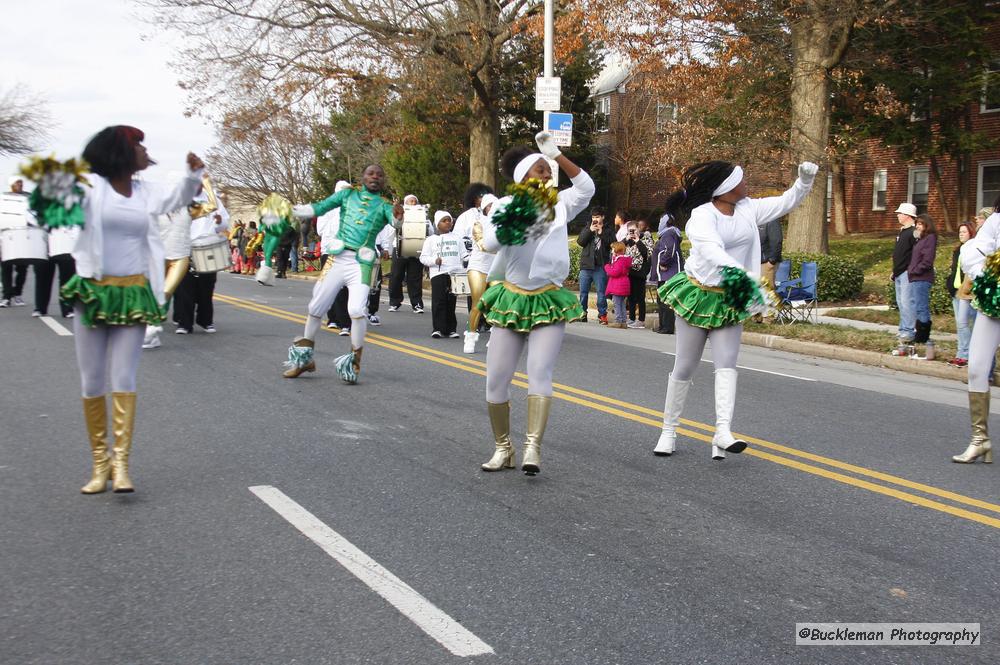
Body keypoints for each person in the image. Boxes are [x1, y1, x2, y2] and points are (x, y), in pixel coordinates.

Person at [51, 126, 204, 493]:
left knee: (124, 379)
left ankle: (121, 465)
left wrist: (193, 175)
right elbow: (57, 203)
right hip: (94, 291)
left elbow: (176, 199)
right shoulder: (90, 188)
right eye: (137, 144)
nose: (144, 149)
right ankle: (99, 463)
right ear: (119, 151)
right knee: (91, 381)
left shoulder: (146, 191)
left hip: (133, 292)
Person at [654, 159, 817, 460]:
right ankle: (668, 430)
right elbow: (712, 251)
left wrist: (803, 181)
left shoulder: (747, 209)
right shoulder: (701, 217)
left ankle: (723, 432)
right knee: (685, 366)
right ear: (724, 189)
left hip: (730, 295)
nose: (746, 185)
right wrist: (746, 276)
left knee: (727, 363)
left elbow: (785, 202)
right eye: (740, 181)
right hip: (699, 294)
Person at [477, 131, 594, 475]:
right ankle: (503, 448)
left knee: (539, 372)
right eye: (539, 170)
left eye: (548, 170)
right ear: (523, 177)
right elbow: (493, 241)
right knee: (496, 379)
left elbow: (586, 189)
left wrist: (558, 155)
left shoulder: (560, 204)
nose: (546, 175)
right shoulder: (506, 206)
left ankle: (532, 448)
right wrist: (521, 214)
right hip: (512, 297)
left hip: (548, 298)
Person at [283, 165, 402, 383]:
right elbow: (320, 207)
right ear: (362, 177)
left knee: (356, 309)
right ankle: (304, 360)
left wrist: (399, 217)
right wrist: (295, 210)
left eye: (380, 174)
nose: (375, 177)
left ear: (383, 180)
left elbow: (395, 223)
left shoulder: (385, 205)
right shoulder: (347, 194)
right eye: (371, 173)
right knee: (315, 307)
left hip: (361, 264)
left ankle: (354, 364)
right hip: (337, 259)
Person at [954, 204, 1000, 463]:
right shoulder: (996, 220)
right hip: (995, 301)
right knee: (976, 368)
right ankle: (980, 440)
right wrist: (991, 270)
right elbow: (974, 252)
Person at [174, 188, 229, 334]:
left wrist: (219, 222)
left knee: (207, 286)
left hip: (207, 245)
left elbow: (224, 222)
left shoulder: (212, 198)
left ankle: (206, 321)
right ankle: (184, 323)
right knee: (185, 287)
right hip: (186, 245)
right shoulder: (181, 198)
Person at [453, 183, 497, 353]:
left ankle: (495, 337)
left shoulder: (503, 224)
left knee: (497, 303)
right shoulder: (477, 223)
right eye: (489, 206)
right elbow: (484, 245)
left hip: (496, 267)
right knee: (478, 303)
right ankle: (470, 337)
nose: (493, 208)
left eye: (495, 205)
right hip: (478, 265)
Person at [420, 210, 467, 338]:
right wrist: (434, 261)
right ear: (437, 224)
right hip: (438, 273)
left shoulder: (457, 238)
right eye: (444, 220)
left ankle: (451, 329)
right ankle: (438, 329)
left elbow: (464, 255)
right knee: (439, 301)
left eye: (449, 220)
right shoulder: (431, 240)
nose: (448, 223)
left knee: (451, 301)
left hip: (455, 274)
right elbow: (423, 258)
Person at [388, 193, 427, 313]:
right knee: (396, 276)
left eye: (415, 201)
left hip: (416, 248)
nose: (413, 203)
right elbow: (390, 231)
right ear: (405, 203)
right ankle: (394, 302)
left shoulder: (423, 215)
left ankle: (417, 304)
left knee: (415, 277)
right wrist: (389, 249)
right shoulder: (399, 214)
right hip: (399, 248)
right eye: (411, 201)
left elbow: (429, 230)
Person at [576, 207, 616, 325]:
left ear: (602, 217)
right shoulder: (588, 227)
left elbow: (613, 242)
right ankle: (582, 313)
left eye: (597, 217)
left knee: (601, 293)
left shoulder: (608, 229)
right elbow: (580, 242)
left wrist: (601, 232)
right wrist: (590, 230)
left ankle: (602, 315)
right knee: (583, 292)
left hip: (600, 266)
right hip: (586, 265)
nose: (595, 219)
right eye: (594, 217)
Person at [650, 203, 684, 334]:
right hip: (664, 274)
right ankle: (662, 325)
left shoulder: (669, 234)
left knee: (666, 301)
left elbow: (670, 250)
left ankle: (667, 327)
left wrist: (663, 262)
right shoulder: (668, 233)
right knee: (661, 300)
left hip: (669, 274)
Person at [946, 222, 976, 366]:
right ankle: (962, 352)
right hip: (956, 290)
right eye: (960, 232)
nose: (961, 234)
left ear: (971, 232)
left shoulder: (973, 248)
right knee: (960, 324)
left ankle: (967, 354)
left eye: (964, 231)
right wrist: (950, 284)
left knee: (966, 323)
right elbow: (955, 269)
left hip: (968, 291)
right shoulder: (958, 249)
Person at [0, 176, 31, 308]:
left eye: (21, 182)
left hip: (23, 236)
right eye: (17, 183)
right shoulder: (4, 198)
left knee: (22, 268)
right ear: (11, 184)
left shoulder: (29, 198)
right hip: (7, 236)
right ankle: (6, 297)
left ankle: (18, 294)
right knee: (6, 267)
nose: (20, 185)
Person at [907, 214, 937, 345]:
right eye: (917, 224)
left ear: (926, 225)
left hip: (922, 278)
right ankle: (918, 334)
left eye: (920, 224)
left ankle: (923, 336)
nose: (917, 226)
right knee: (917, 307)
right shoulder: (920, 240)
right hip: (915, 278)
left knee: (921, 307)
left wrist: (915, 270)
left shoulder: (930, 238)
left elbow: (927, 261)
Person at [891, 202, 919, 343]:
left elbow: (919, 252)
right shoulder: (902, 231)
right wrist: (894, 271)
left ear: (908, 215)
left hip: (908, 272)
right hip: (898, 272)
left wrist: (912, 269)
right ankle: (903, 329)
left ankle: (909, 331)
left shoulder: (915, 232)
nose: (898, 215)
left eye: (900, 213)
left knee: (907, 302)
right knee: (901, 303)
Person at [625, 219, 652, 328]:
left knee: (640, 298)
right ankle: (631, 318)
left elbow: (647, 253)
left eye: (633, 230)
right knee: (631, 297)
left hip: (640, 272)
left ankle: (641, 320)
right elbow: (618, 249)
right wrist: (625, 240)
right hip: (629, 272)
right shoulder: (627, 240)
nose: (632, 233)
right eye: (629, 231)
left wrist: (637, 240)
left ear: (638, 229)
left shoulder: (645, 238)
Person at [604, 241, 632, 328]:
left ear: (617, 250)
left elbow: (615, 272)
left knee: (617, 303)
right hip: (624, 285)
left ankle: (618, 320)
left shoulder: (619, 261)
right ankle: (623, 321)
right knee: (622, 303)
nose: (611, 250)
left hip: (618, 286)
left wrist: (607, 267)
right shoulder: (624, 259)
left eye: (613, 249)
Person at [759, 216, 783, 288]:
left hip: (766, 263)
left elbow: (777, 241)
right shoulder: (755, 218)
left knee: (767, 293)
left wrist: (771, 261)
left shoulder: (771, 219)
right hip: (755, 262)